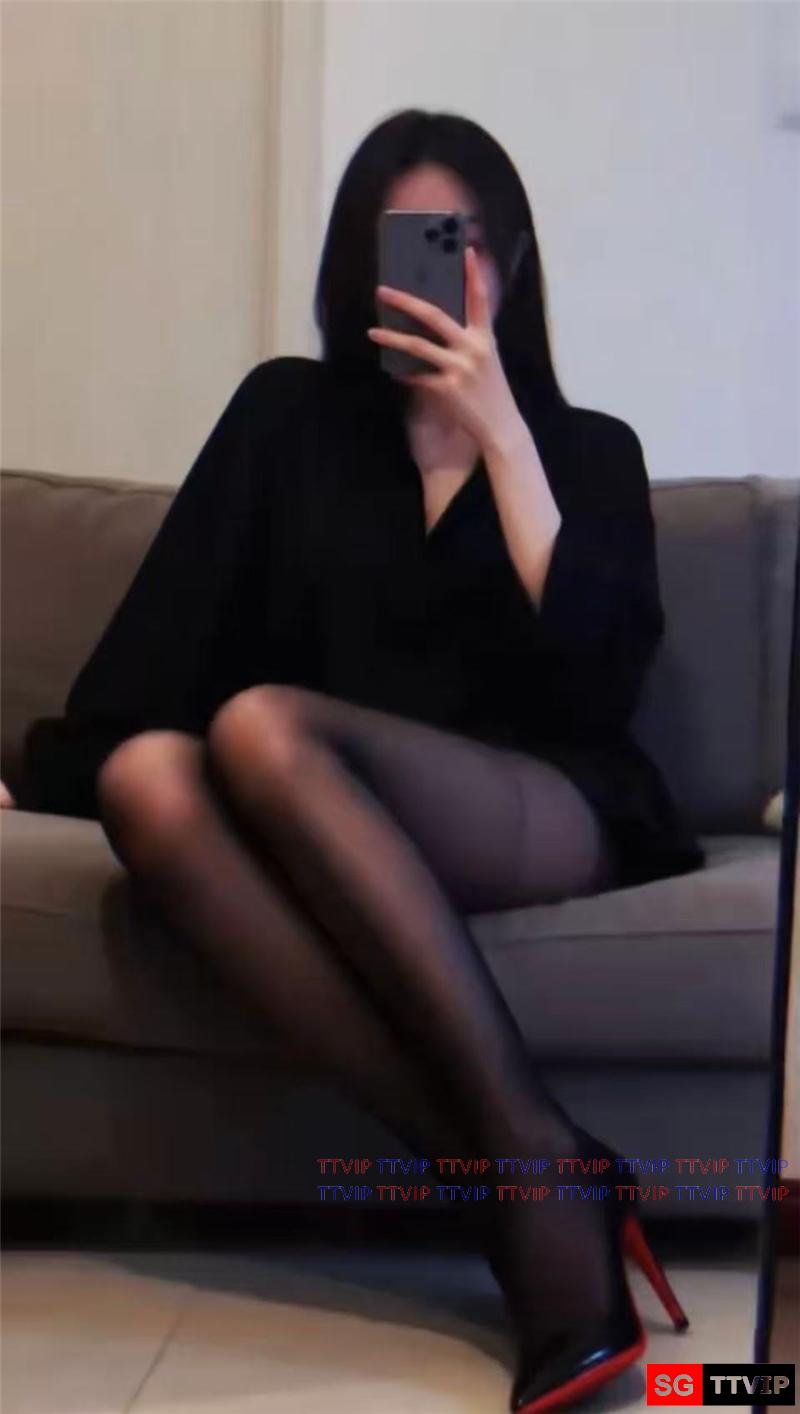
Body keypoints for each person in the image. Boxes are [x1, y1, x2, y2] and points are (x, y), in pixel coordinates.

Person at [14, 110, 702, 1413]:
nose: (452, 272)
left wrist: (504, 437)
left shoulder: (587, 448)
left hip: (540, 797)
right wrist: (39, 770)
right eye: (417, 244)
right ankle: (531, 1185)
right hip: (325, 805)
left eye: (471, 241)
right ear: (360, 268)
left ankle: (530, 1160)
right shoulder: (289, 419)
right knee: (149, 775)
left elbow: (600, 686)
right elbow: (166, 637)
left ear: (514, 260)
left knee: (263, 727)